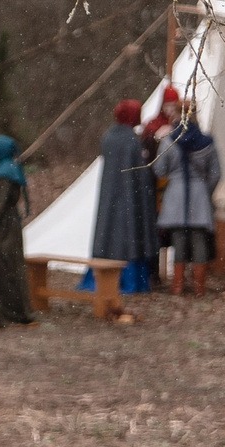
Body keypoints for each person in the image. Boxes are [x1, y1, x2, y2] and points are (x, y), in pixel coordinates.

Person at [90, 99, 159, 299]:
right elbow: (139, 173)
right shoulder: (131, 140)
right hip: (130, 197)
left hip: (111, 194)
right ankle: (129, 279)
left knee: (109, 231)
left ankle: (102, 276)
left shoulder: (109, 137)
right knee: (128, 233)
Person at [155, 113, 223, 295]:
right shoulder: (207, 142)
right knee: (199, 240)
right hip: (199, 195)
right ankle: (199, 286)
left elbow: (160, 169)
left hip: (176, 195)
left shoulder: (169, 141)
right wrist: (205, 191)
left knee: (179, 240)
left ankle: (177, 285)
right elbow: (215, 173)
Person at [0, 133, 36, 327]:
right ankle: (4, 310)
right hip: (6, 225)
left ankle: (8, 311)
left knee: (5, 268)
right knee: (6, 267)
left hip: (3, 228)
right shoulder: (7, 168)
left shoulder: (5, 173)